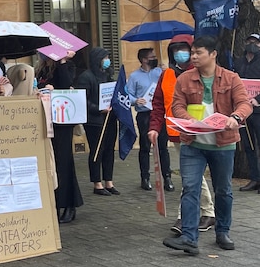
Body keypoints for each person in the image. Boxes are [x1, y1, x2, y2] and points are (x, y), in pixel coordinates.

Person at [163, 35, 251, 255]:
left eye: (198, 53)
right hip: (193, 143)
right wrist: (187, 119)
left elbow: (244, 103)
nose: (193, 56)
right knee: (190, 188)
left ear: (213, 54)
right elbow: (177, 105)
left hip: (223, 144)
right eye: (192, 52)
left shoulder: (231, 78)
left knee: (223, 190)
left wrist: (236, 117)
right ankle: (189, 238)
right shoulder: (184, 79)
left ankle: (222, 231)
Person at [149, 34, 215, 233]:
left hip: (201, 130)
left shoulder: (201, 73)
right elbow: (159, 104)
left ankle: (187, 217)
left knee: (190, 175)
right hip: (177, 133)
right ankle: (207, 213)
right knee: (192, 175)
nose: (181, 53)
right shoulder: (166, 74)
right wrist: (154, 127)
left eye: (185, 49)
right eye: (176, 50)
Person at [36, 51, 83, 224]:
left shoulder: (67, 66)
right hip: (47, 120)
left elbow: (66, 85)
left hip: (62, 121)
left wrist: (62, 61)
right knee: (51, 163)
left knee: (64, 163)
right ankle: (54, 203)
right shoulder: (41, 69)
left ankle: (69, 204)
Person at [76, 47, 119, 196]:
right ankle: (97, 183)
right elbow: (82, 100)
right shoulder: (85, 77)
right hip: (95, 120)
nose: (107, 60)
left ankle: (109, 181)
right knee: (96, 151)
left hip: (110, 118)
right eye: (105, 57)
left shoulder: (107, 75)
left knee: (109, 150)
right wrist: (98, 109)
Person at [126, 48, 167, 190]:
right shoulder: (134, 76)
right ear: (144, 59)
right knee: (145, 146)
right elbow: (128, 94)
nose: (155, 58)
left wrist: (166, 72)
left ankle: (166, 177)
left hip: (159, 113)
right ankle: (145, 177)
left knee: (163, 146)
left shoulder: (159, 72)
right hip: (144, 114)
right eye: (152, 57)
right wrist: (136, 100)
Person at [233, 32, 260, 192]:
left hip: (258, 110)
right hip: (244, 111)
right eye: (250, 41)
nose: (252, 45)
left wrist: (258, 99)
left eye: (256, 43)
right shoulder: (238, 62)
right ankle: (255, 178)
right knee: (249, 147)